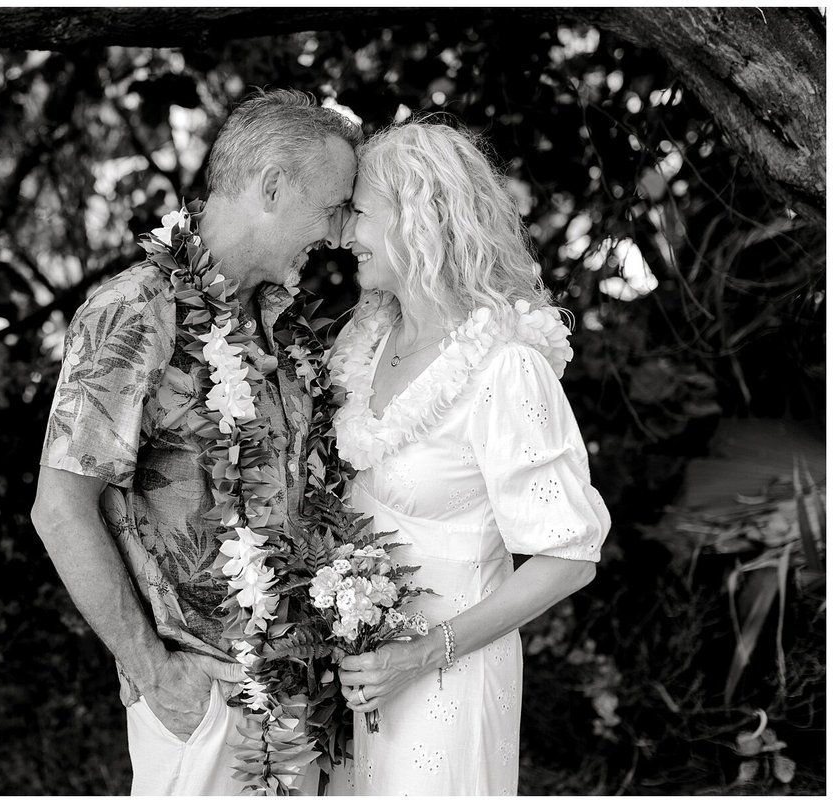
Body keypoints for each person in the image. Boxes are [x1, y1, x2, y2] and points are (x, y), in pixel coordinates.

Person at [30, 89, 360, 796]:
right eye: (332, 207)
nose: (336, 234)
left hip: (309, 699)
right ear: (271, 185)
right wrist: (151, 666)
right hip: (207, 701)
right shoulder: (133, 310)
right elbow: (59, 508)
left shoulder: (285, 327)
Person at [327, 121, 611, 795]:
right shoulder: (361, 343)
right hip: (353, 681)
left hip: (447, 681)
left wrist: (425, 651)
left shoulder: (504, 367)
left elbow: (568, 557)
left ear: (417, 217)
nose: (342, 237)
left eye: (360, 213)